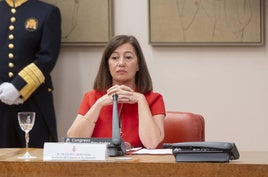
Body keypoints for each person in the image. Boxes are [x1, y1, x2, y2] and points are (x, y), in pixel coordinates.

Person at [67, 35, 166, 149]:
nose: (121, 63)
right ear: (107, 66)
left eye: (128, 57)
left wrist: (141, 100)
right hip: (100, 165)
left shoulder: (154, 99)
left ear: (138, 65)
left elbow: (152, 143)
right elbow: (73, 140)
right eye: (114, 58)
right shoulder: (91, 97)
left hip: (138, 165)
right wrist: (98, 104)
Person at [0, 0, 61, 148]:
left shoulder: (47, 12)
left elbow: (47, 57)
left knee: (36, 160)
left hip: (34, 101)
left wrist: (18, 87)